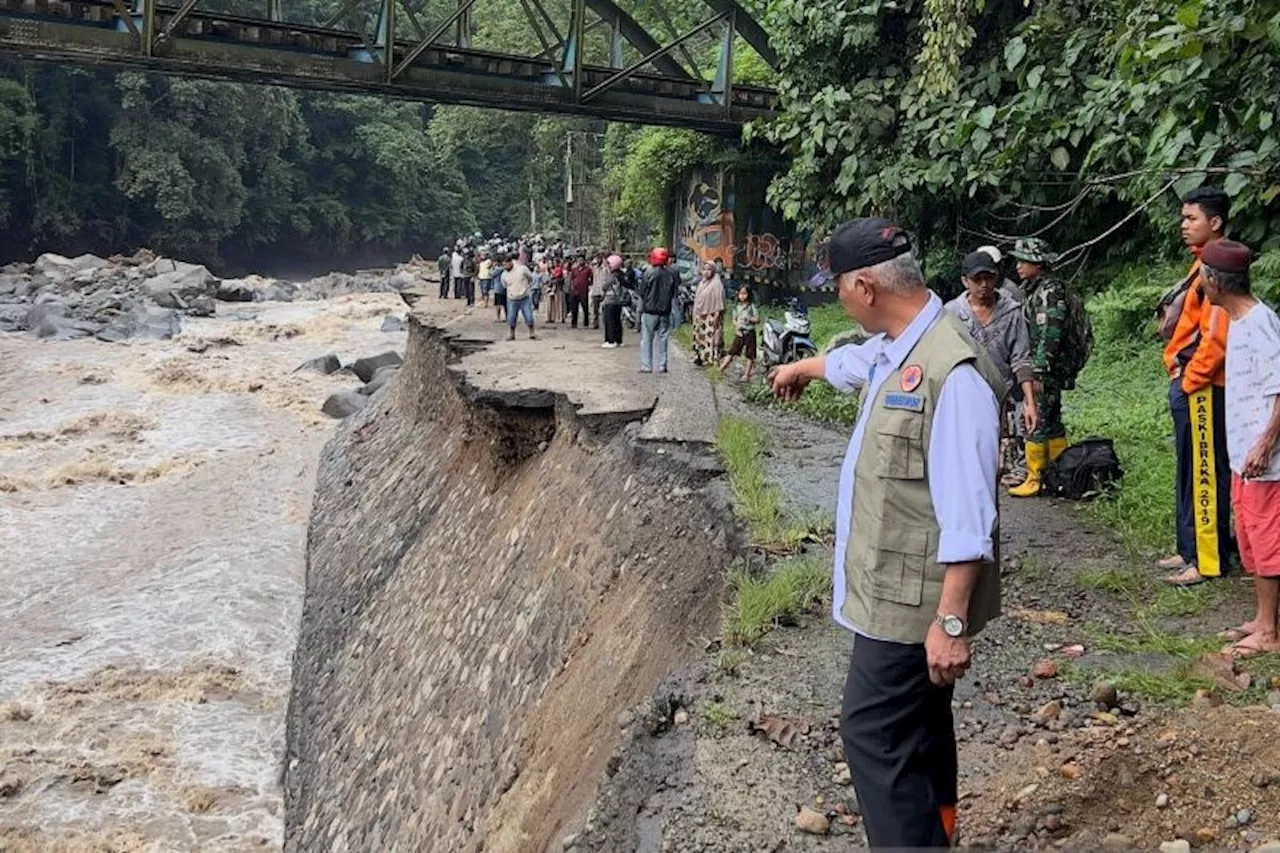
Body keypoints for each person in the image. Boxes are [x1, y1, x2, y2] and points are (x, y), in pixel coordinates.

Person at [768, 218, 1003, 849]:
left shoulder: (953, 375)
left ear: (865, 286)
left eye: (838, 288)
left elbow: (970, 514)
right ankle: (938, 832)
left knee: (873, 734)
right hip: (895, 596)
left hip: (912, 608)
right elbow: (856, 362)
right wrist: (805, 369)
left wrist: (950, 624)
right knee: (921, 729)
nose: (836, 298)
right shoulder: (903, 341)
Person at [1198, 239, 1280, 654]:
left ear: (1214, 282)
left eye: (1203, 277)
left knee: (1268, 540)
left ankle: (1269, 630)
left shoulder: (1262, 323)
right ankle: (1262, 619)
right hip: (1245, 456)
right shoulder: (1240, 322)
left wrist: (1265, 445)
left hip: (1265, 460)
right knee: (1250, 537)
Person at [1159, 186, 1234, 586]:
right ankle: (1190, 547)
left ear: (1215, 222)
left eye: (1191, 219)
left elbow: (1216, 335)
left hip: (1205, 385)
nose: (1184, 225)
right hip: (1191, 381)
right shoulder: (1200, 262)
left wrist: (1189, 380)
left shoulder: (1220, 264)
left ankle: (1207, 560)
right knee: (1190, 467)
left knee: (1205, 470)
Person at [946, 250, 1040, 475]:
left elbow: (1021, 357)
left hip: (1003, 393)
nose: (984, 285)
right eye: (977, 280)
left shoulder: (1012, 312)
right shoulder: (951, 314)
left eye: (989, 277)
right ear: (965, 281)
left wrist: (1029, 402)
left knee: (1000, 462)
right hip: (964, 394)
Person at [1005, 237, 1070, 498]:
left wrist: (1039, 371)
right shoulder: (1037, 288)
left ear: (1039, 264)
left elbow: (1049, 333)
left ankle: (1036, 477)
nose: (1019, 265)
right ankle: (1057, 473)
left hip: (1045, 369)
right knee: (1051, 420)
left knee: (1037, 420)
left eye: (1025, 260)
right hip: (1047, 367)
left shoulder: (1048, 292)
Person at [638, 247, 676, 374]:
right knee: (663, 338)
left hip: (650, 311)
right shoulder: (670, 274)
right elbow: (673, 293)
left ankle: (646, 366)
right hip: (665, 312)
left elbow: (642, 292)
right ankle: (662, 365)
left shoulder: (648, 273)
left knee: (647, 339)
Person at [719, 285, 760, 381]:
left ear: (748, 295)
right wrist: (736, 325)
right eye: (740, 294)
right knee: (732, 351)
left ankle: (746, 374)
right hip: (740, 332)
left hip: (749, 332)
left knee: (750, 354)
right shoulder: (736, 307)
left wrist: (750, 319)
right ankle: (721, 368)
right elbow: (734, 319)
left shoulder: (751, 307)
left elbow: (758, 319)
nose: (742, 296)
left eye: (744, 294)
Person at [691, 261, 726, 367]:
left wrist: (716, 315)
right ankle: (700, 357)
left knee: (711, 338)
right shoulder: (702, 283)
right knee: (700, 336)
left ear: (713, 271)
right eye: (704, 269)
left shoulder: (716, 284)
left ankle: (711, 357)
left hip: (711, 315)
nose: (706, 272)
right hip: (700, 315)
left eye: (709, 269)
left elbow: (718, 301)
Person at [502, 254, 536, 341]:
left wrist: (526, 287)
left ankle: (532, 332)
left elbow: (530, 277)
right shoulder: (504, 274)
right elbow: (504, 285)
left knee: (529, 316)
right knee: (511, 317)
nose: (504, 267)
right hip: (512, 298)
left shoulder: (522, 269)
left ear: (510, 262)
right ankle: (512, 334)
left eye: (506, 264)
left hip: (524, 297)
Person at [601, 254, 626, 348]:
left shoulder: (612, 276)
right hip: (618, 300)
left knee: (609, 320)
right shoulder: (621, 274)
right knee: (617, 321)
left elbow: (604, 286)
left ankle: (611, 340)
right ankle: (618, 340)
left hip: (610, 300)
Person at [569, 257, 592, 329]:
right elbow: (572, 279)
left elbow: (591, 278)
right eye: (579, 260)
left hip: (583, 291)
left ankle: (586, 324)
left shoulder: (588, 269)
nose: (580, 262)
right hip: (575, 291)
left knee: (585, 308)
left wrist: (587, 284)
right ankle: (574, 323)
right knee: (574, 308)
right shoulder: (574, 269)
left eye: (581, 260)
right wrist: (572, 287)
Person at [590, 252, 610, 330]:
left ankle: (606, 324)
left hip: (603, 291)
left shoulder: (605, 269)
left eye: (599, 258)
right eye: (597, 259)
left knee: (604, 309)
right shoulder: (594, 268)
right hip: (595, 290)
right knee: (595, 309)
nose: (598, 260)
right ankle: (595, 324)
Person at [546, 257, 565, 325]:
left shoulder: (558, 269)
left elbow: (556, 276)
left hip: (557, 288)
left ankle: (558, 318)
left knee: (558, 303)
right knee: (551, 304)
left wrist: (552, 273)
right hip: (551, 287)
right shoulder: (550, 271)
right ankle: (551, 317)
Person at [491, 257, 507, 322]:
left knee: (498, 304)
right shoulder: (505, 269)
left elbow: (491, 274)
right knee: (505, 304)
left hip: (498, 288)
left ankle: (498, 318)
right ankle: (507, 317)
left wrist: (493, 267)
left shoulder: (497, 269)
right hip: (505, 287)